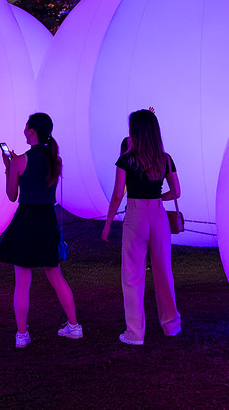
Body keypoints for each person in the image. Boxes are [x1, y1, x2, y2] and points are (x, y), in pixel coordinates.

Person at [0, 112, 82, 349]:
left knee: (22, 280)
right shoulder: (56, 159)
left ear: (32, 131)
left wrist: (9, 168)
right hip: (47, 219)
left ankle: (22, 335)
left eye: (26, 126)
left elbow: (12, 195)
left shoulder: (19, 161)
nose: (24, 129)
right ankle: (74, 326)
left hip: (26, 220)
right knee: (56, 276)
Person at [101, 108, 181, 345]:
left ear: (134, 131)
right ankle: (171, 325)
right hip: (158, 215)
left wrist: (107, 224)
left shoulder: (125, 160)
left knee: (132, 274)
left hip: (135, 214)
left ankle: (135, 332)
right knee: (163, 271)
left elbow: (117, 195)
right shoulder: (165, 159)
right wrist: (157, 199)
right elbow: (176, 191)